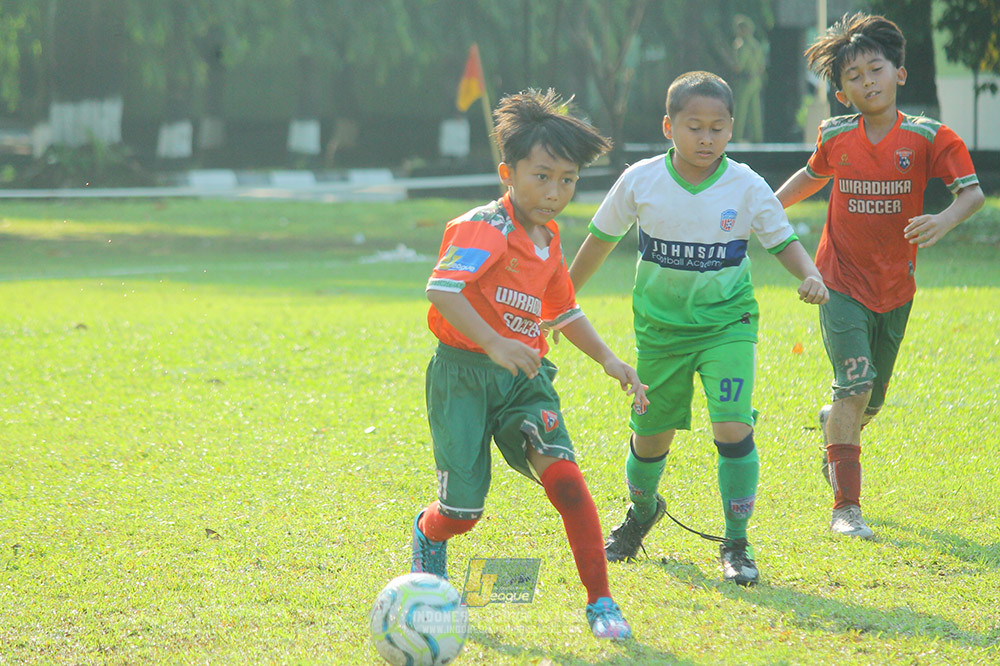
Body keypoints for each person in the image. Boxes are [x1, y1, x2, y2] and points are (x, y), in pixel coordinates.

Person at [567, 71, 829, 587]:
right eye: (694, 127)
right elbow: (599, 239)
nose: (705, 138)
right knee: (649, 439)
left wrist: (812, 274)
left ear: (731, 129)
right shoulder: (641, 179)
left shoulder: (748, 186)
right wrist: (562, 295)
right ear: (669, 126)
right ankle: (641, 514)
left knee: (732, 427)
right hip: (660, 332)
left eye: (717, 128)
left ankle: (737, 541)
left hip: (727, 325)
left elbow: (782, 241)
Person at [410, 88, 649, 640]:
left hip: (524, 382)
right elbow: (442, 290)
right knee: (463, 513)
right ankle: (429, 531)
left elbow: (563, 311)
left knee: (566, 480)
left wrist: (611, 359)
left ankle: (602, 603)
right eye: (542, 176)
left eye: (568, 179)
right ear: (508, 173)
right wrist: (494, 342)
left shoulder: (549, 238)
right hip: (462, 380)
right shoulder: (486, 227)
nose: (555, 191)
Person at [774, 13, 985, 540]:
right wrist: (767, 207)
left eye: (875, 69)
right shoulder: (837, 137)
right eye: (854, 76)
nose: (867, 81)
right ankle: (846, 508)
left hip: (896, 288)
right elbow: (811, 177)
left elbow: (972, 193)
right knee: (857, 385)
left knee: (868, 401)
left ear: (900, 74)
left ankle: (834, 429)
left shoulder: (930, 137)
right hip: (838, 281)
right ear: (842, 93)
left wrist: (942, 219)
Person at [730, 14, 767, 143]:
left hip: (745, 80)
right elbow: (762, 66)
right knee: (755, 109)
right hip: (756, 80)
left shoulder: (741, 45)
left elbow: (738, 66)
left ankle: (735, 137)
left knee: (740, 109)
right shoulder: (756, 45)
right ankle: (757, 137)